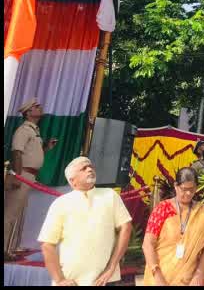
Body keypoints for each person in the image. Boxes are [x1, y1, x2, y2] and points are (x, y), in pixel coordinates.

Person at [39, 156, 133, 286]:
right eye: (83, 168)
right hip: (71, 282)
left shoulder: (110, 195)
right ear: (72, 180)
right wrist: (60, 280)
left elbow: (126, 227)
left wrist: (112, 267)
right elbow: (47, 244)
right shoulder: (61, 203)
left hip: (105, 280)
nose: (89, 169)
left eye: (91, 167)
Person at [141, 167, 204, 286]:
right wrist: (157, 275)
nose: (189, 193)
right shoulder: (163, 209)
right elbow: (147, 244)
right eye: (184, 189)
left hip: (190, 279)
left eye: (192, 189)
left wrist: (199, 274)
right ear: (176, 186)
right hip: (159, 276)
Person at [5, 98, 58, 258]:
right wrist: (16, 176)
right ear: (28, 112)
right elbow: (17, 152)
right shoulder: (24, 130)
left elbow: (30, 153)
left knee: (19, 214)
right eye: (36, 106)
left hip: (29, 176)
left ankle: (11, 247)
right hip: (23, 175)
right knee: (10, 213)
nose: (40, 107)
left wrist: (46, 148)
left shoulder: (34, 130)